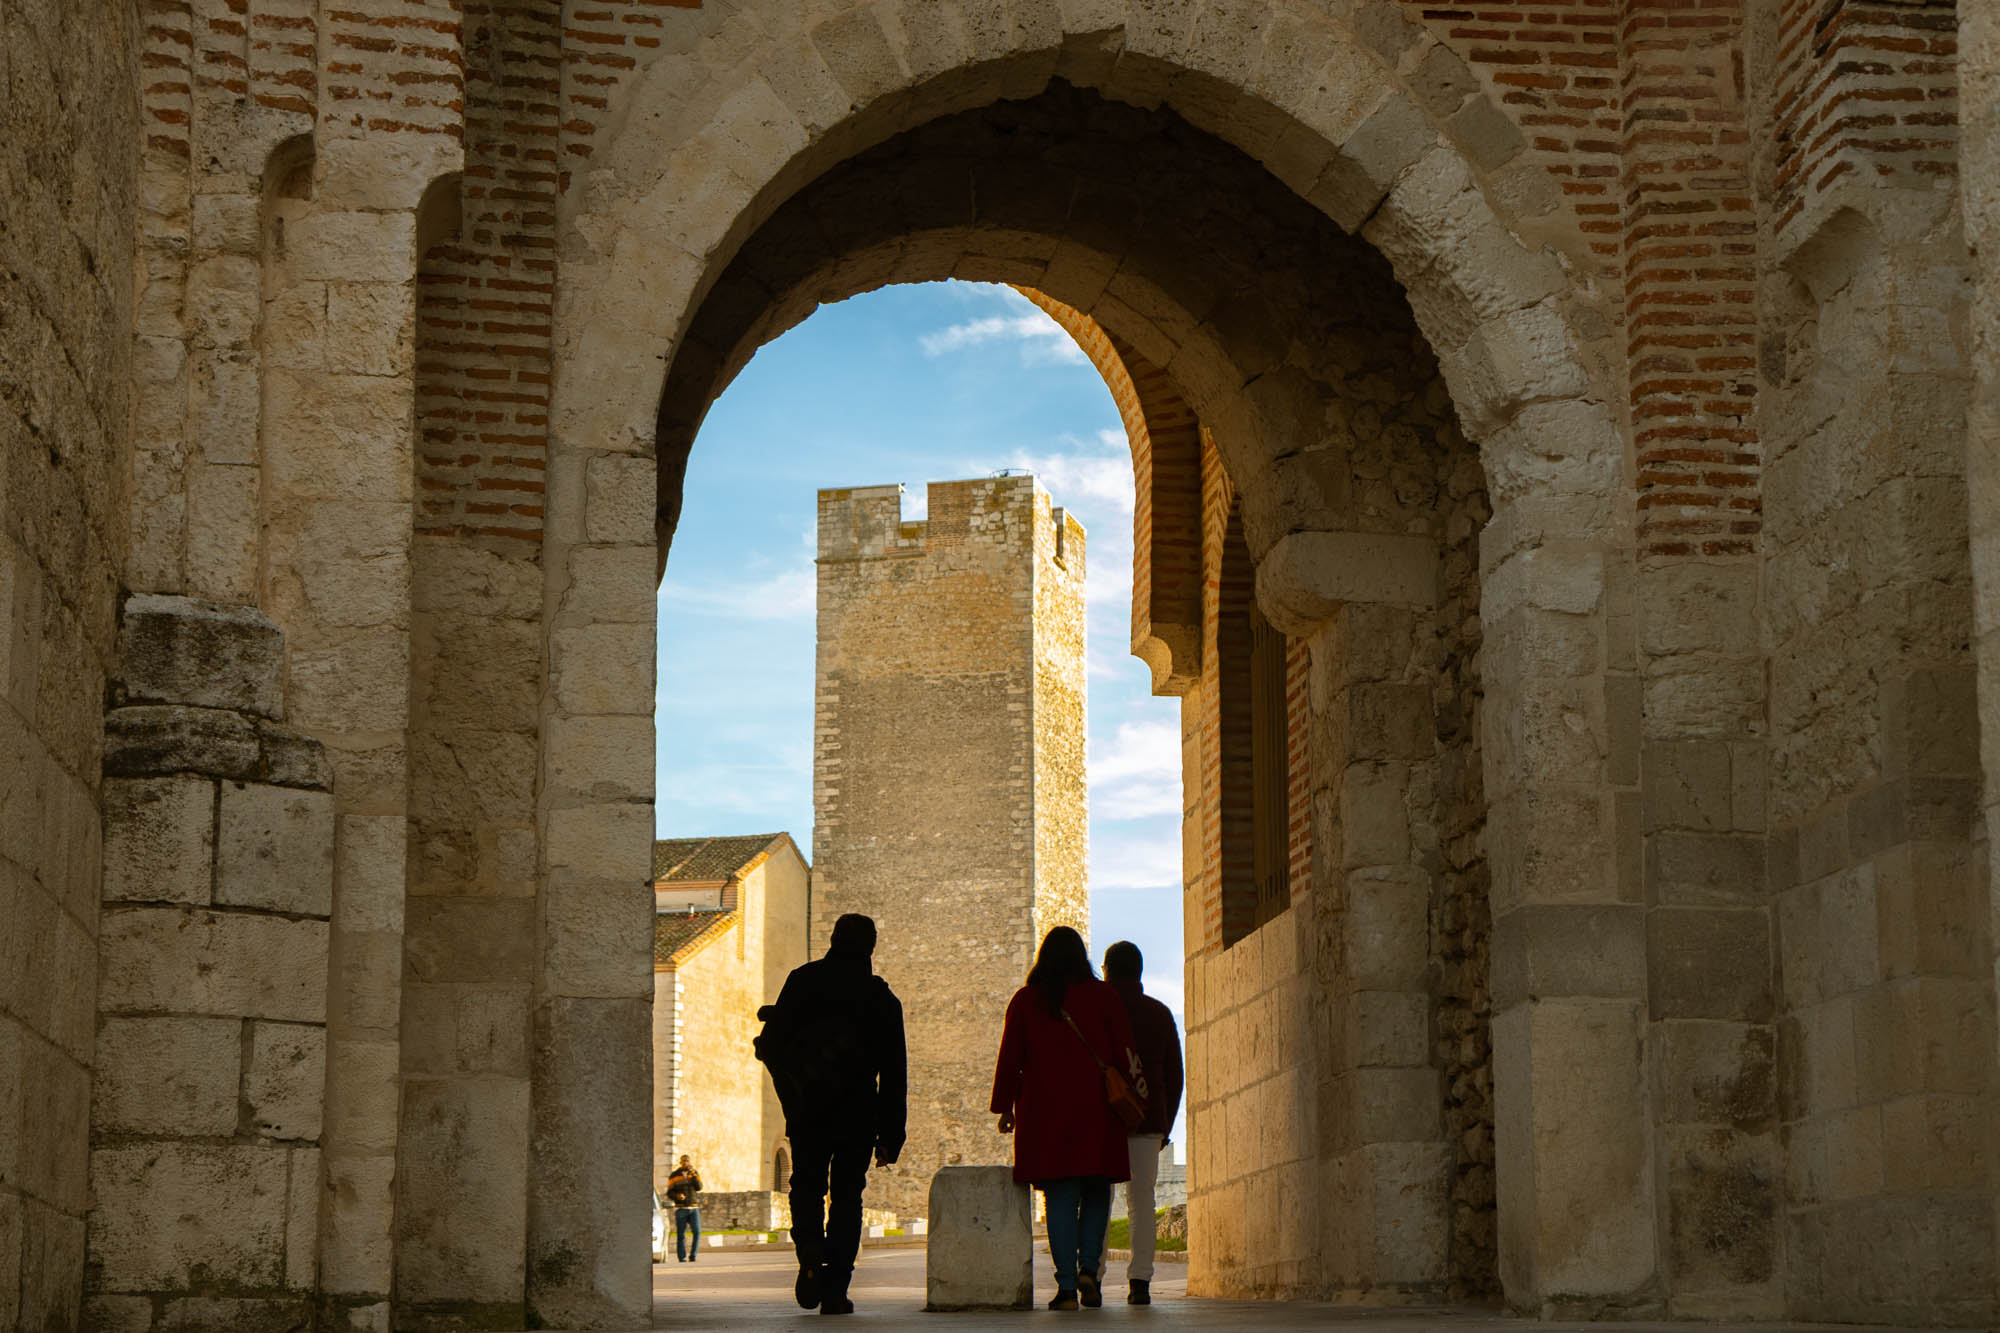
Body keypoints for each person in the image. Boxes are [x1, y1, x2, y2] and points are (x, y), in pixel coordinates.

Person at [757, 913, 907, 1316]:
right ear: (871, 946)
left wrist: (791, 1092)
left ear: (833, 939)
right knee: (847, 1197)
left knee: (806, 1184)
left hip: (808, 1108)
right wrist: (892, 1135)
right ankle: (837, 1287)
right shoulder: (881, 999)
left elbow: (770, 1045)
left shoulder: (802, 980)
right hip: (858, 1111)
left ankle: (808, 1249)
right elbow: (895, 1073)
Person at [990, 926, 1141, 1311]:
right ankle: (1089, 1268)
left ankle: (1068, 1288)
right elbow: (1125, 1052)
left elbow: (1010, 1059)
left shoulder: (1026, 1001)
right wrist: (1136, 1098)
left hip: (1046, 1115)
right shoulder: (1104, 997)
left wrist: (1004, 1107)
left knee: (1058, 1197)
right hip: (1098, 1114)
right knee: (1095, 1192)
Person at [1097, 941, 1183, 1305]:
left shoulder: (1098, 1012)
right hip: (1148, 1121)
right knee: (1142, 1202)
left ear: (1106, 971)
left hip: (1104, 1120)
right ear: (1140, 972)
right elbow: (1175, 1075)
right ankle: (1140, 1282)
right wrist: (1165, 1124)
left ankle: (1092, 1273)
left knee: (1100, 1197)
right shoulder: (1159, 1013)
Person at [665, 1155, 702, 1262]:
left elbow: (699, 1187)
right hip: (681, 1209)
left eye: (687, 1161)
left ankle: (693, 1255)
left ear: (689, 1162)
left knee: (697, 1231)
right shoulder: (674, 1175)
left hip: (693, 1207)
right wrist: (677, 1196)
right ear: (680, 1162)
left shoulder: (694, 1173)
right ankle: (682, 1257)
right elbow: (669, 1192)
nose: (685, 1163)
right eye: (683, 1161)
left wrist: (693, 1174)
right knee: (681, 1234)